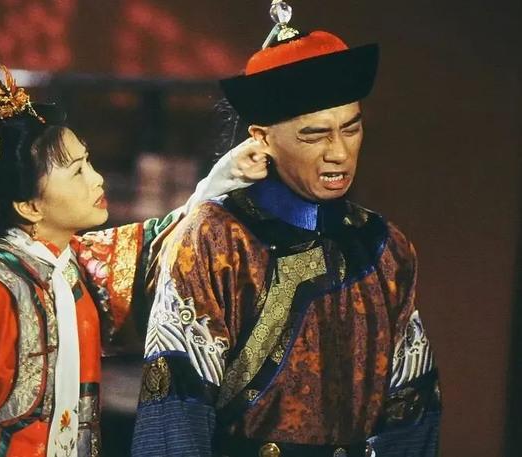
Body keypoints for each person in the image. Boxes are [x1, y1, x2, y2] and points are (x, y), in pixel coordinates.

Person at [0, 64, 267, 457]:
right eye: (77, 172)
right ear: (29, 205)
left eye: (88, 162)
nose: (97, 179)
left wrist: (223, 179)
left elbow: (157, 250)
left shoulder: (72, 269)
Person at [132, 3, 441, 457]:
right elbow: (176, 410)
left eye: (351, 129)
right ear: (261, 137)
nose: (339, 153)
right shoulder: (217, 239)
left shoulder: (384, 245)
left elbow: (412, 410)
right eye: (315, 135)